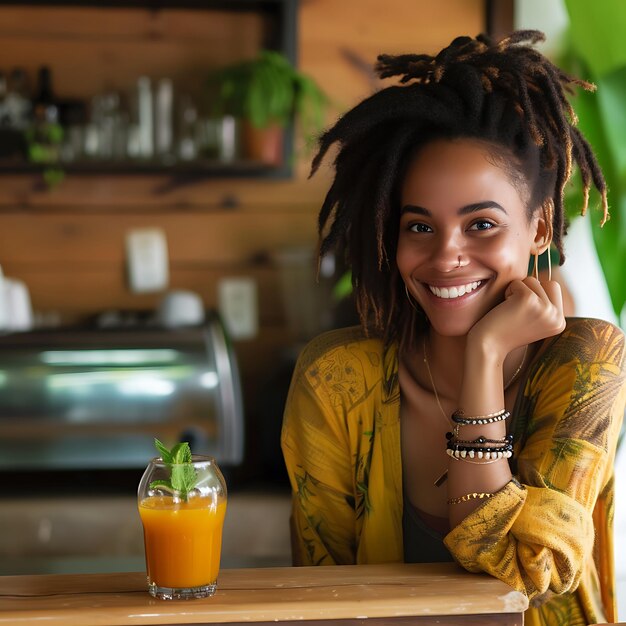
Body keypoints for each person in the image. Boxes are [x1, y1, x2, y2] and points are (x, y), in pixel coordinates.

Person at [281, 30, 626, 626]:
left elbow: (524, 575)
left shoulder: (588, 363)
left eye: (482, 225)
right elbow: (321, 594)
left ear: (540, 228)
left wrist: (485, 355)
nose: (446, 257)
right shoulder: (336, 382)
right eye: (419, 227)